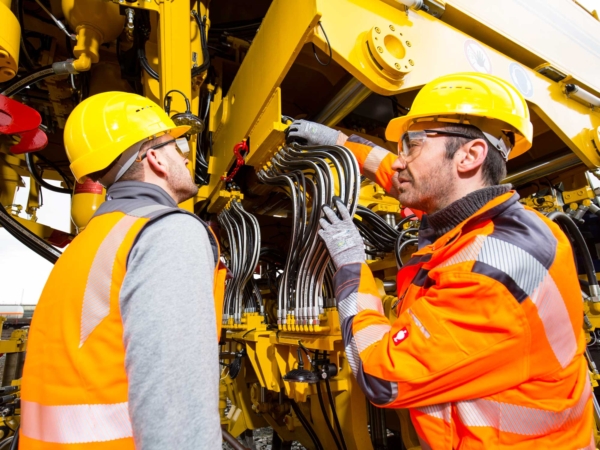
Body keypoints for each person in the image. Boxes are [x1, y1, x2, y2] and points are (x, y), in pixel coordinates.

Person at [287, 73, 594, 449]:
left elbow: (381, 377)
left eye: (411, 146)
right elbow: (409, 175)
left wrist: (351, 268)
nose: (399, 162)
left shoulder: (491, 275)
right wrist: (339, 143)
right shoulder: (489, 222)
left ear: (469, 155)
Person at [20, 92, 226, 450]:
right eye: (177, 146)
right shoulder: (167, 231)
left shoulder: (85, 245)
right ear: (155, 159)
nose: (186, 155)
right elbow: (176, 413)